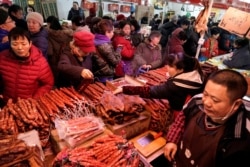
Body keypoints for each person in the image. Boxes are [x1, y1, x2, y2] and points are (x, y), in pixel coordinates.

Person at [164, 69, 250, 167]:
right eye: (205, 94)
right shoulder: (197, 101)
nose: (206, 102)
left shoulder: (243, 136)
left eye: (215, 100)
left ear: (236, 104)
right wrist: (172, 141)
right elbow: (181, 120)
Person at [114, 53, 204, 114]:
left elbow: (149, 91)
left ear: (181, 69)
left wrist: (124, 89)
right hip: (192, 111)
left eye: (170, 66)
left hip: (181, 113)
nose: (167, 67)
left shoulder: (174, 87)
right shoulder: (197, 75)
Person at [0, 27, 54, 104]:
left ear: (30, 44)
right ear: (10, 44)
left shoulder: (40, 62)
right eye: (15, 44)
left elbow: (48, 83)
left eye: (23, 44)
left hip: (28, 105)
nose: (19, 48)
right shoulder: (2, 57)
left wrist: (34, 99)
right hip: (7, 103)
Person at [46, 16, 73, 85]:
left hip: (55, 59)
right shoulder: (67, 33)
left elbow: (50, 52)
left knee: (57, 77)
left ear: (49, 24)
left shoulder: (49, 35)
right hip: (67, 57)